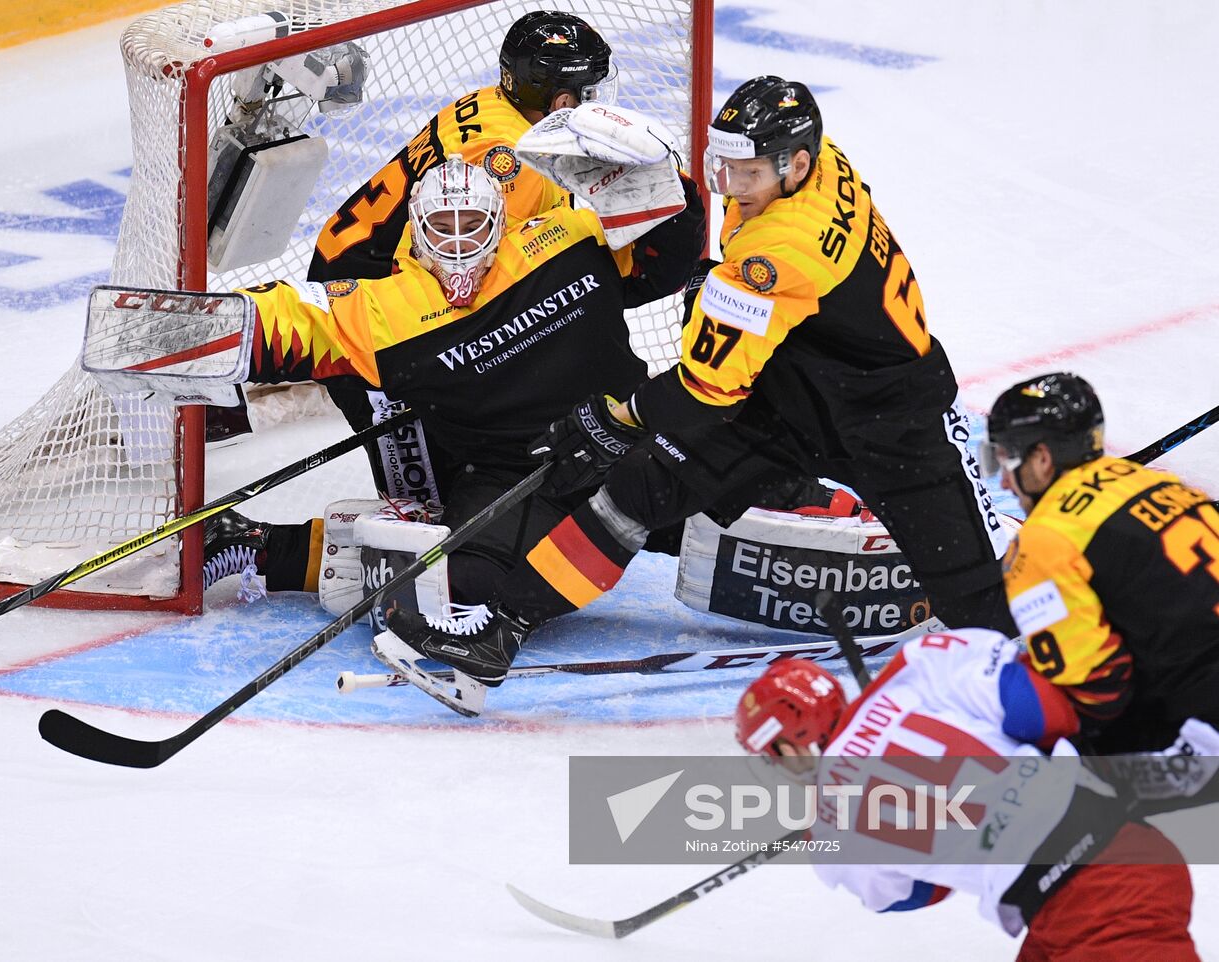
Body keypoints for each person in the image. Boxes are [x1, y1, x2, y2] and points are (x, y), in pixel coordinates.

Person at [376, 75, 1015, 714]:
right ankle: (500, 630)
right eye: (724, 165)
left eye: (747, 171)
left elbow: (704, 389)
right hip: (789, 393)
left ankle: (1035, 691)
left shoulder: (778, 249)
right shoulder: (819, 161)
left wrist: (614, 414)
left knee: (972, 591)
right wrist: (660, 180)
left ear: (794, 164)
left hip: (889, 418)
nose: (732, 183)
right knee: (638, 488)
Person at [199, 145, 703, 627]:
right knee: (450, 591)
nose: (458, 241)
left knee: (739, 518)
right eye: (442, 226)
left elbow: (665, 260)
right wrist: (188, 329)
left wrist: (663, 178)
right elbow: (286, 315)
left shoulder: (570, 237)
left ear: (500, 224)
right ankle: (260, 544)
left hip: (629, 440)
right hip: (512, 477)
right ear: (417, 233)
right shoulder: (386, 306)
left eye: (473, 224)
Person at [212, 9, 616, 466]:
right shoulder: (512, 160)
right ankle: (213, 410)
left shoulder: (497, 107)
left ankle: (234, 394)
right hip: (373, 289)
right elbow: (474, 278)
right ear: (558, 96)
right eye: (586, 92)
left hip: (358, 256)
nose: (591, 102)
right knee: (428, 491)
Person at [735, 630, 1202, 961]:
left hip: (1098, 899)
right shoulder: (920, 668)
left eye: (772, 752)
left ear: (792, 737)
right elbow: (1044, 711)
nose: (778, 765)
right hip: (1110, 865)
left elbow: (916, 893)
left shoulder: (833, 824)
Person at [985, 372, 1219, 762]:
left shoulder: (1044, 541)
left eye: (1005, 459)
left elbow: (1097, 696)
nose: (1005, 483)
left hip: (1202, 732)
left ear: (1042, 459)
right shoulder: (1163, 485)